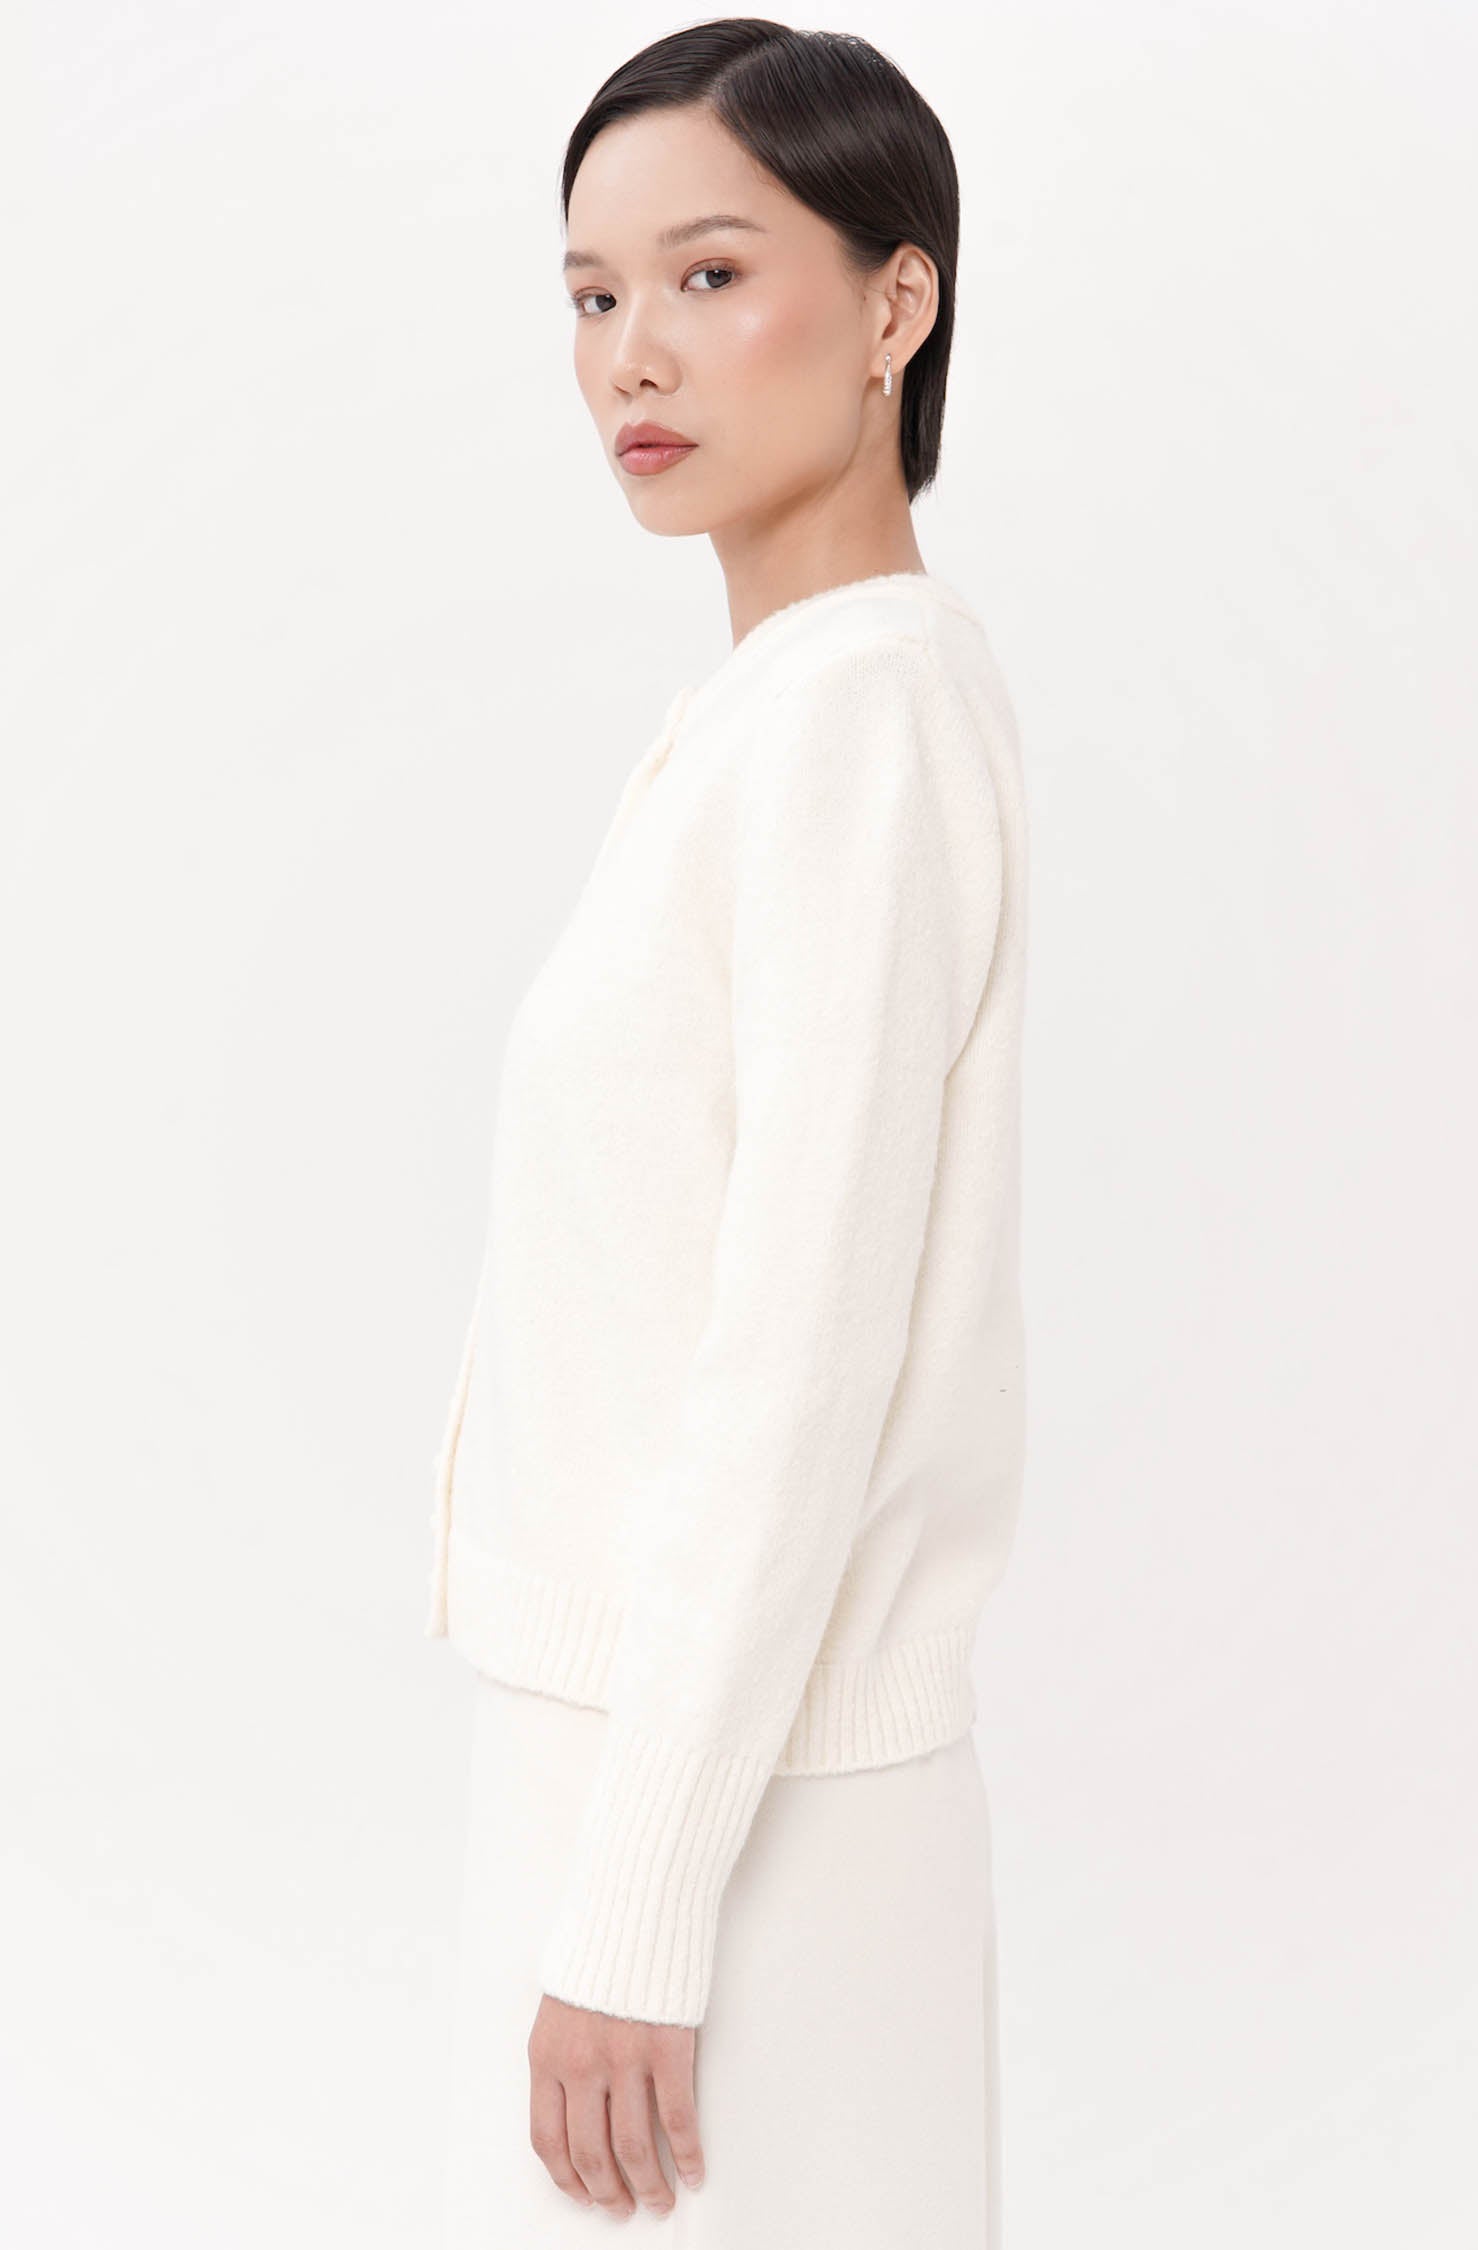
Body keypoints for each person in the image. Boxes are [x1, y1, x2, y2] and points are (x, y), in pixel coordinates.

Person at [428, 20, 1029, 2245]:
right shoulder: (787, 711)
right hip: (648, 1774)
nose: (633, 356)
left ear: (895, 303)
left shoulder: (856, 718)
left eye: (707, 274)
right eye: (593, 295)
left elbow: (799, 1360)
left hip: (733, 1828)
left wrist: (637, 1910)